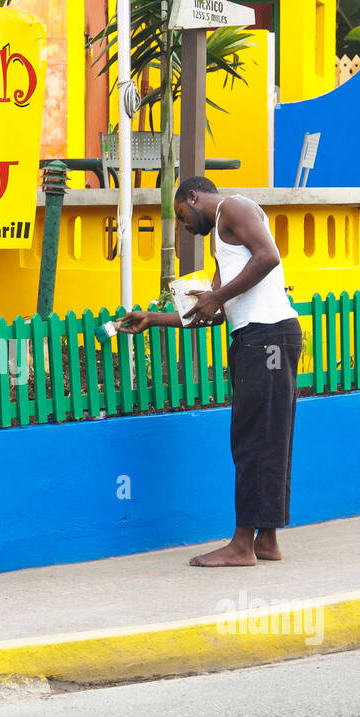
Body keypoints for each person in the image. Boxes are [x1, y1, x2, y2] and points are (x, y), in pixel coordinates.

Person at [119, 176, 302, 568]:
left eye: (181, 216)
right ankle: (266, 539)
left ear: (193, 196)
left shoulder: (233, 208)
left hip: (266, 338)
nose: (183, 225)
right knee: (268, 438)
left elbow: (268, 257)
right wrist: (153, 318)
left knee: (254, 441)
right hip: (263, 337)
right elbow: (213, 313)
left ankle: (241, 546)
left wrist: (217, 295)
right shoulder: (223, 241)